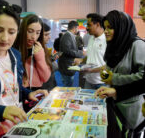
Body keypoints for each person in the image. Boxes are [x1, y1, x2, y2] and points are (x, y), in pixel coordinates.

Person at [0, 0, 48, 137]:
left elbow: (13, 86)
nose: (5, 38)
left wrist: (27, 93)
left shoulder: (15, 55)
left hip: (16, 124)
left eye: (11, 32)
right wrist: (1, 111)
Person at [95, 10, 145, 138]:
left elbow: (143, 77)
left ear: (121, 28)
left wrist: (114, 78)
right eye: (105, 27)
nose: (105, 31)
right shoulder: (113, 45)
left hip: (130, 110)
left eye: (110, 28)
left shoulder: (137, 45)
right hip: (113, 104)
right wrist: (106, 76)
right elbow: (110, 69)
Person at [14, 14, 51, 91]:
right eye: (30, 31)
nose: (34, 36)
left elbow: (45, 78)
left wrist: (40, 57)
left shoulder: (41, 48)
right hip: (17, 91)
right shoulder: (14, 48)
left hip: (36, 91)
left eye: (38, 33)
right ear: (22, 30)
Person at [74, 13, 107, 89]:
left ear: (98, 24)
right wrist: (81, 61)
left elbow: (109, 66)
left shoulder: (107, 40)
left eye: (89, 25)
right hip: (89, 80)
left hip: (102, 82)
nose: (87, 28)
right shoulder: (91, 38)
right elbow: (89, 56)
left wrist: (92, 70)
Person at [58, 21, 84, 87]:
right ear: (74, 28)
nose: (78, 30)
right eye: (77, 28)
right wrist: (79, 53)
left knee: (68, 84)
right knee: (67, 86)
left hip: (68, 65)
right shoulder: (67, 36)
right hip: (66, 66)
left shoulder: (70, 35)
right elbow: (67, 50)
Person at [42, 23, 57, 91]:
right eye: (46, 35)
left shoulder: (44, 47)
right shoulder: (38, 50)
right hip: (44, 87)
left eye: (49, 34)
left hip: (50, 83)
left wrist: (51, 58)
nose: (49, 37)